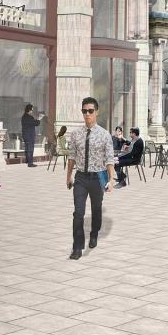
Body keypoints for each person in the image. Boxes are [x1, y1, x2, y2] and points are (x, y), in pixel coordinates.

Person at [65, 97, 115, 260]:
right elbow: (72, 156)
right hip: (80, 178)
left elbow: (109, 159)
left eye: (90, 111)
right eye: (84, 111)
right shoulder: (76, 134)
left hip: (97, 178)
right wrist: (68, 177)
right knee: (78, 213)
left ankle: (94, 233)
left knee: (96, 209)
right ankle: (77, 248)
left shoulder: (104, 135)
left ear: (96, 112)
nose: (87, 114)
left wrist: (111, 180)